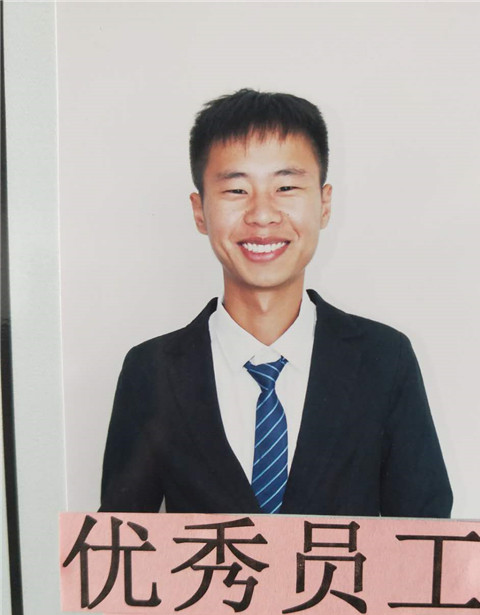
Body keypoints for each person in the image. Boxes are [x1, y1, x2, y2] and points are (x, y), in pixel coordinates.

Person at [100, 88, 452, 517]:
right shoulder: (150, 371)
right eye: (236, 190)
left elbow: (426, 536)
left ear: (324, 203)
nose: (263, 214)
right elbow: (120, 538)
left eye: (286, 187)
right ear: (200, 211)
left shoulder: (384, 360)